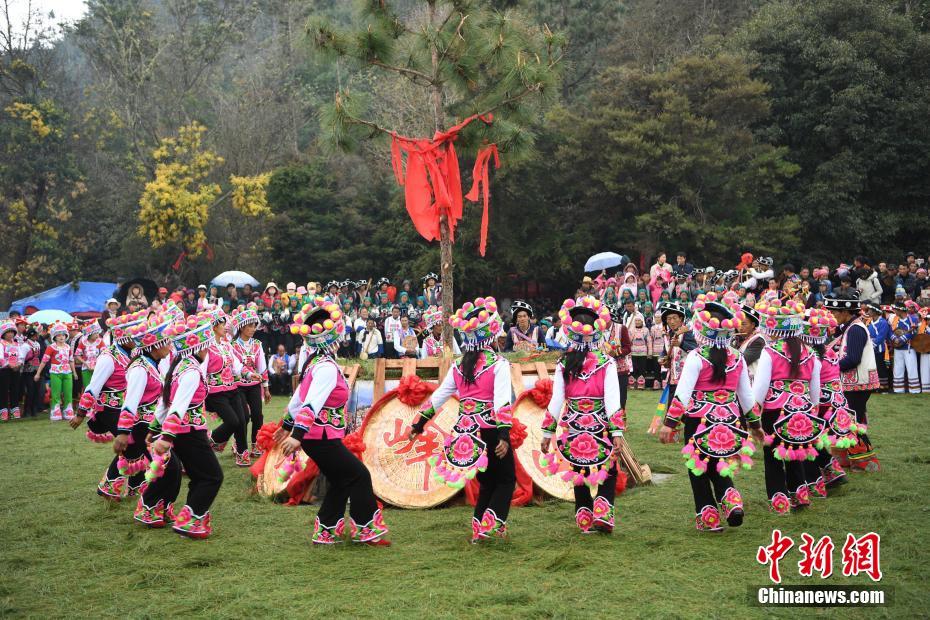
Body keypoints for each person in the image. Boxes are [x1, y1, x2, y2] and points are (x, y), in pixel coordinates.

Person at [277, 298, 390, 546]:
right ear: (334, 337)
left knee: (342, 480)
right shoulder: (326, 367)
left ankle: (326, 530)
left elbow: (297, 400)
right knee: (359, 474)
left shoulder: (315, 363)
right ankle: (365, 529)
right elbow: (310, 404)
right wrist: (295, 434)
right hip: (321, 437)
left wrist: (288, 426)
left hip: (318, 437)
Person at [409, 296, 514, 542]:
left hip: (466, 434)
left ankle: (480, 529)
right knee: (507, 479)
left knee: (487, 482)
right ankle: (491, 525)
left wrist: (418, 423)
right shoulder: (498, 364)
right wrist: (504, 434)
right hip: (490, 430)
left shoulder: (458, 366)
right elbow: (501, 402)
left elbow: (438, 397)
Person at [659, 292, 755, 532]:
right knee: (719, 463)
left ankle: (709, 517)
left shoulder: (696, 356)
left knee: (698, 466)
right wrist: (755, 424)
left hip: (699, 420)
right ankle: (731, 501)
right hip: (731, 420)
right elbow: (746, 396)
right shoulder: (737, 357)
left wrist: (669, 424)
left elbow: (682, 394)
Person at [540, 296, 623, 533]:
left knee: (580, 469)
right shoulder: (606, 362)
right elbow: (612, 401)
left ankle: (585, 518)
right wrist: (616, 431)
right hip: (600, 423)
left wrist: (547, 432)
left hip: (574, 424)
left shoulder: (564, 363)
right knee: (608, 468)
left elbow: (556, 400)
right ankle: (603, 513)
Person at [142, 311, 224, 538]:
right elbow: (176, 406)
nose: (208, 350)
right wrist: (165, 437)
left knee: (200, 476)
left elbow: (164, 401)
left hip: (184, 432)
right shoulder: (190, 371)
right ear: (198, 346)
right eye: (206, 345)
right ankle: (190, 520)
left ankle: (189, 517)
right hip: (188, 432)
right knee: (212, 476)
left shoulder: (180, 365)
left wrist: (154, 428)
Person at [749, 299, 821, 513]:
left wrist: (754, 415)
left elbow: (760, 388)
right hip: (803, 409)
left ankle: (779, 500)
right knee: (795, 453)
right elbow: (815, 388)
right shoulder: (810, 352)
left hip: (775, 410)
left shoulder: (770, 352)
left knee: (773, 456)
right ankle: (800, 495)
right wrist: (812, 409)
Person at [118, 304, 179, 504]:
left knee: (169, 467)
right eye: (165, 341)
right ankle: (150, 506)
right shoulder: (140, 368)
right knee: (168, 467)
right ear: (154, 345)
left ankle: (154, 505)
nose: (169, 345)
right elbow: (130, 403)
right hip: (141, 426)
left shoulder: (152, 365)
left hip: (150, 424)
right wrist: (123, 432)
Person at [824, 294, 880, 472]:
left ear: (845, 312)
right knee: (847, 419)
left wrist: (830, 368)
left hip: (857, 384)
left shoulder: (856, 329)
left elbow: (853, 358)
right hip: (852, 383)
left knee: (853, 421)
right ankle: (846, 458)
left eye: (834, 312)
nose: (832, 315)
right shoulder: (849, 327)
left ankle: (865, 462)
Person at [204, 309, 250, 466]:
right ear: (215, 326)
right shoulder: (206, 348)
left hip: (232, 388)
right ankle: (210, 441)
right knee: (233, 421)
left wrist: (250, 375)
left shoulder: (226, 345)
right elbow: (202, 371)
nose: (226, 327)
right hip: (216, 392)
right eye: (223, 324)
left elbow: (236, 366)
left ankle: (242, 454)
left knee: (243, 418)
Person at [231, 304, 271, 458]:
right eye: (250, 326)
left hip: (254, 385)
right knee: (244, 416)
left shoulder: (257, 345)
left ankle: (256, 444)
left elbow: (262, 367)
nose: (253, 329)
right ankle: (239, 443)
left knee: (257, 415)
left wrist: (266, 388)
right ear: (241, 328)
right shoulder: (232, 346)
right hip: (238, 385)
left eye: (254, 326)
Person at [34, 322, 76, 421]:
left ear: (66, 335)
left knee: (68, 392)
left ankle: (68, 409)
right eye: (59, 335)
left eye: (63, 335)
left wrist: (74, 372)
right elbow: (44, 361)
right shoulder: (51, 348)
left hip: (67, 373)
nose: (61, 337)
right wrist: (38, 373)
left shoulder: (68, 347)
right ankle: (55, 410)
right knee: (56, 393)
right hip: (55, 373)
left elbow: (71, 360)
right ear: (54, 337)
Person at [656, 301, 696, 391]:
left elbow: (696, 350)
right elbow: (665, 351)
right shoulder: (667, 335)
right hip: (673, 378)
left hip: (687, 378)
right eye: (669, 319)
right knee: (671, 404)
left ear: (681, 319)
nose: (672, 322)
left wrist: (681, 344)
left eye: (674, 318)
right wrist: (661, 358)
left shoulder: (687, 332)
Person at [889, 300, 920, 393]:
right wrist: (894, 338)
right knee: (898, 368)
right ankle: (898, 389)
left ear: (900, 310)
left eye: (895, 310)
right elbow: (889, 331)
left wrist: (902, 338)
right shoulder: (894, 319)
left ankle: (914, 390)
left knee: (911, 368)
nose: (894, 311)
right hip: (898, 348)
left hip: (909, 348)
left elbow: (914, 333)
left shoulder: (913, 319)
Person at [605, 305, 632, 407]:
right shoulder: (597, 331)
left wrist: (616, 353)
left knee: (621, 398)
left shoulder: (621, 328)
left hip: (619, 370)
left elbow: (628, 348)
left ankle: (620, 420)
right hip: (603, 370)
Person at [865, 303, 892, 391]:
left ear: (875, 312)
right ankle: (875, 386)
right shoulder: (869, 321)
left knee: (881, 367)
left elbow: (881, 337)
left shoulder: (883, 322)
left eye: (869, 310)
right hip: (870, 348)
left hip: (880, 349)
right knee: (873, 368)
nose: (868, 312)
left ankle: (884, 387)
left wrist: (871, 345)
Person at [0, 319, 22, 421]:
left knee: (15, 390)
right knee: (3, 390)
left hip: (15, 370)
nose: (10, 334)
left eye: (11, 332)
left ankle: (14, 410)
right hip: (4, 370)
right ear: (3, 334)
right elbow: (1, 358)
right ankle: (3, 411)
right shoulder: (1, 344)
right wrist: (9, 365)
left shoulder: (17, 344)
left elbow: (21, 357)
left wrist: (19, 364)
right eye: (7, 332)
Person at [74, 322, 105, 388]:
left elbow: (105, 353)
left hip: (98, 368)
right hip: (86, 368)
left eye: (98, 333)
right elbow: (77, 355)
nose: (97, 335)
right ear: (90, 334)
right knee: (87, 387)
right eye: (95, 333)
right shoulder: (83, 342)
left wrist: (98, 364)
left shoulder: (100, 341)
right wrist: (85, 363)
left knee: (98, 387)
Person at [21, 328, 41, 417]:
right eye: (36, 334)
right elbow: (22, 358)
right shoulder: (25, 345)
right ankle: (27, 410)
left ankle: (34, 410)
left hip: (36, 370)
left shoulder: (37, 344)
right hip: (27, 371)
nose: (38, 335)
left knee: (36, 390)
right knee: (30, 391)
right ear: (32, 335)